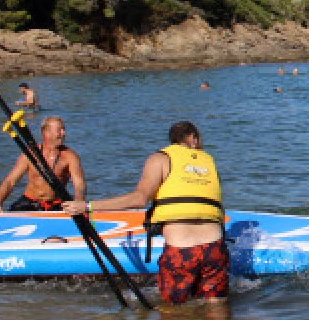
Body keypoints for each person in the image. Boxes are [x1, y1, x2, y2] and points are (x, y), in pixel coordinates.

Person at [63, 122, 227, 306]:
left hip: (182, 250)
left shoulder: (160, 159)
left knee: (173, 313)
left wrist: (87, 206)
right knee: (217, 308)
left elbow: (139, 199)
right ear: (192, 139)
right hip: (215, 248)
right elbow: (217, 208)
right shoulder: (208, 161)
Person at [0, 116, 85, 211]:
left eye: (64, 129)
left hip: (57, 204)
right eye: (59, 130)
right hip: (29, 202)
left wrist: (79, 203)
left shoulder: (69, 156)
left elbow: (79, 184)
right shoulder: (31, 154)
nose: (64, 133)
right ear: (45, 132)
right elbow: (10, 182)